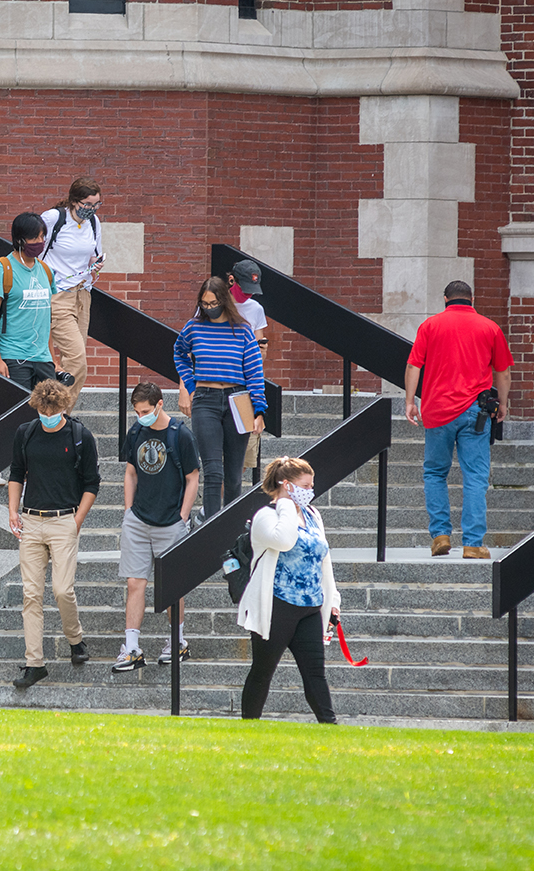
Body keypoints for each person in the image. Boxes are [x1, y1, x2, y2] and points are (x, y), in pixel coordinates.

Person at [405, 280, 514, 559]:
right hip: (476, 412)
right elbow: (502, 372)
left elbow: (414, 365)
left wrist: (410, 401)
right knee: (475, 476)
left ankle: (440, 536)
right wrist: (502, 403)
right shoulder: (490, 327)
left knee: (434, 473)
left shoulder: (430, 326)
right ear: (472, 299)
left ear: (445, 299)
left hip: (437, 410)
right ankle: (473, 543)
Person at [8, 380, 99, 688]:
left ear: (63, 407)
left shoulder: (80, 436)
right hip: (31, 520)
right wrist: (13, 511)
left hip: (64, 520)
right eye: (42, 411)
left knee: (62, 590)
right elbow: (16, 473)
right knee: (31, 595)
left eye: (53, 411)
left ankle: (75, 639)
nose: (47, 416)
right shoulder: (26, 433)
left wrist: (77, 520)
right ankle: (34, 663)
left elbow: (92, 483)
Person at [238, 456, 340, 724]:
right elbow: (284, 541)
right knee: (263, 671)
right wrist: (285, 503)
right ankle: (249, 726)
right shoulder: (266, 516)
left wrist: (333, 599)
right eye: (305, 486)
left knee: (315, 673)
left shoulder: (313, 515)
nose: (310, 491)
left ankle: (330, 727)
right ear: (287, 485)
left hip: (310, 607)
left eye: (311, 485)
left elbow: (323, 558)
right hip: (277, 606)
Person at [113, 383, 200, 672]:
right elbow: (130, 472)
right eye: (137, 412)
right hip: (138, 520)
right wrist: (128, 511)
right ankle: (132, 647)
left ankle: (177, 642)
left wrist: (183, 517)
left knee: (172, 587)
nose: (141, 416)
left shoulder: (180, 434)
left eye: (146, 411)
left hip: (170, 521)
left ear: (160, 404)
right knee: (134, 583)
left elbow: (193, 477)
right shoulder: (136, 432)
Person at [173, 276, 266, 519]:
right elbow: (179, 353)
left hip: (238, 399)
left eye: (214, 303)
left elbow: (254, 371)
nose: (209, 308)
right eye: (205, 304)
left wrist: (259, 410)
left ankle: (231, 529)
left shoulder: (243, 330)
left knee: (234, 475)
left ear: (224, 301)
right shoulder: (194, 327)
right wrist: (190, 385)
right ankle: (211, 530)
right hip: (205, 399)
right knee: (213, 472)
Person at [41, 178, 105, 403]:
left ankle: (55, 412)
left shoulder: (93, 222)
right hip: (58, 294)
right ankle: (57, 412)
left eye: (96, 204)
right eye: (87, 204)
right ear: (74, 201)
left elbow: (93, 254)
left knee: (72, 363)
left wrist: (95, 264)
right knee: (77, 359)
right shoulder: (54, 218)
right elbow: (34, 250)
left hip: (82, 294)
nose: (91, 209)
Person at [0, 212, 56, 389]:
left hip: (43, 359)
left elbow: (45, 320)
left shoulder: (46, 270)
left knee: (50, 407)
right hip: (13, 357)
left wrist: (54, 361)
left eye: (42, 237)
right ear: (20, 239)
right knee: (18, 407)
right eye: (34, 237)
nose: (40, 242)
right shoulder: (2, 269)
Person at [227, 260, 269, 474]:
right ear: (231, 281)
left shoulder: (256, 309)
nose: (248, 294)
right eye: (244, 289)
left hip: (245, 387)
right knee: (218, 459)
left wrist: (261, 350)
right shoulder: (213, 304)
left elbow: (260, 356)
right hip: (218, 383)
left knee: (241, 461)